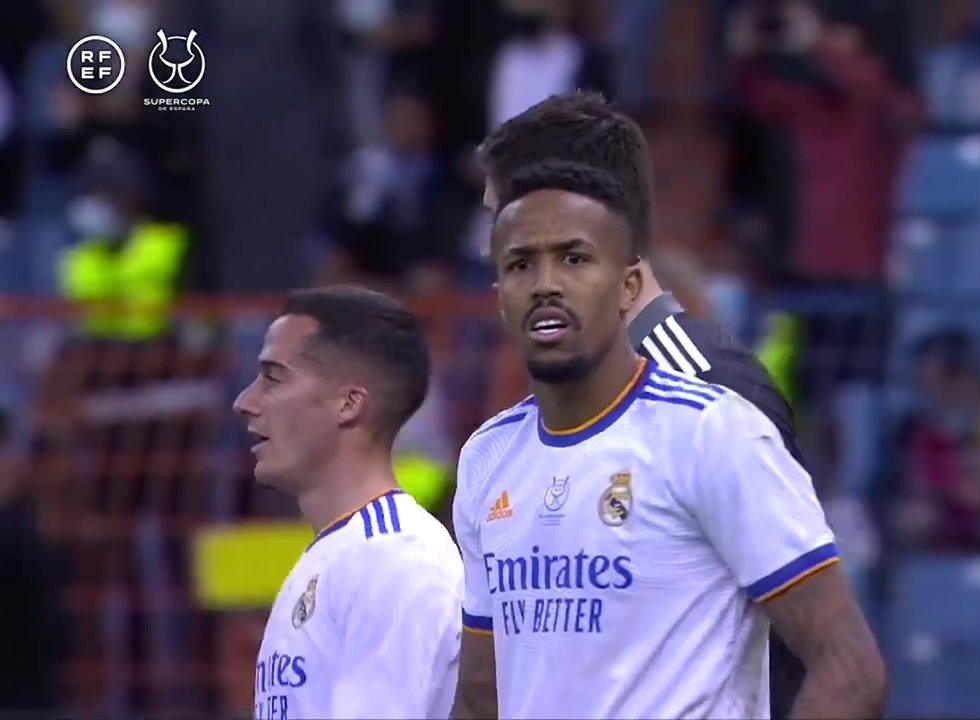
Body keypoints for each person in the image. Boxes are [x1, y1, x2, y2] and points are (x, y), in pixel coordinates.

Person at [450, 161, 885, 718]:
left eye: (575, 259)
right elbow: (482, 695)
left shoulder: (714, 431)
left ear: (630, 286)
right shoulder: (488, 455)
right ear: (499, 295)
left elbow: (849, 666)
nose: (546, 285)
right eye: (520, 265)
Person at [477, 93, 813, 713]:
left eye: (503, 217)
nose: (490, 249)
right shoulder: (535, 420)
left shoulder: (712, 391)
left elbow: (806, 648)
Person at [233, 285, 463, 720]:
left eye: (274, 377)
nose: (245, 402)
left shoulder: (395, 560)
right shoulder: (341, 553)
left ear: (348, 403)